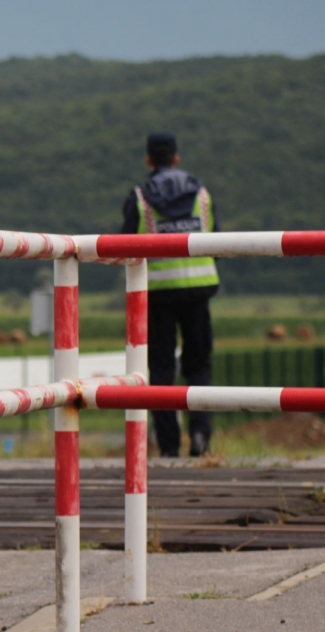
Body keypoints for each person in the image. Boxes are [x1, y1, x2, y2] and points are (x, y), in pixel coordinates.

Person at [120, 132, 219, 457]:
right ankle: (201, 436)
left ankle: (169, 447)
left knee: (161, 370)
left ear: (149, 160)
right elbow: (217, 241)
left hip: (157, 294)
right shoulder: (201, 194)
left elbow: (122, 247)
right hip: (198, 290)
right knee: (199, 365)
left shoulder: (139, 198)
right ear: (176, 158)